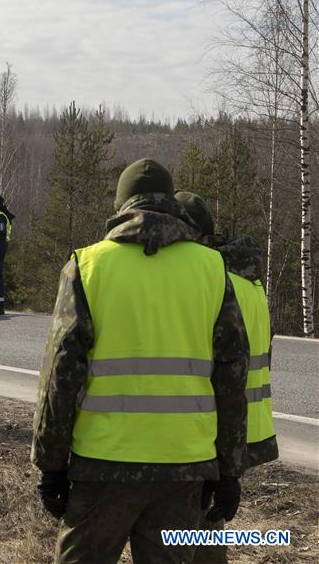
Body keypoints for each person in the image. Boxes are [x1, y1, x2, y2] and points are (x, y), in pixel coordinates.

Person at [31, 159, 250, 564]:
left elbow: (60, 375)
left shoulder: (87, 265)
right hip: (184, 467)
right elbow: (232, 376)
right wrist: (230, 469)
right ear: (171, 204)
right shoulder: (211, 268)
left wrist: (50, 463)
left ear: (121, 204)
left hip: (103, 467)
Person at [176, 190, 278, 564]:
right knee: (205, 527)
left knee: (190, 532)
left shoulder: (212, 280)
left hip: (212, 427)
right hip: (246, 429)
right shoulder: (251, 282)